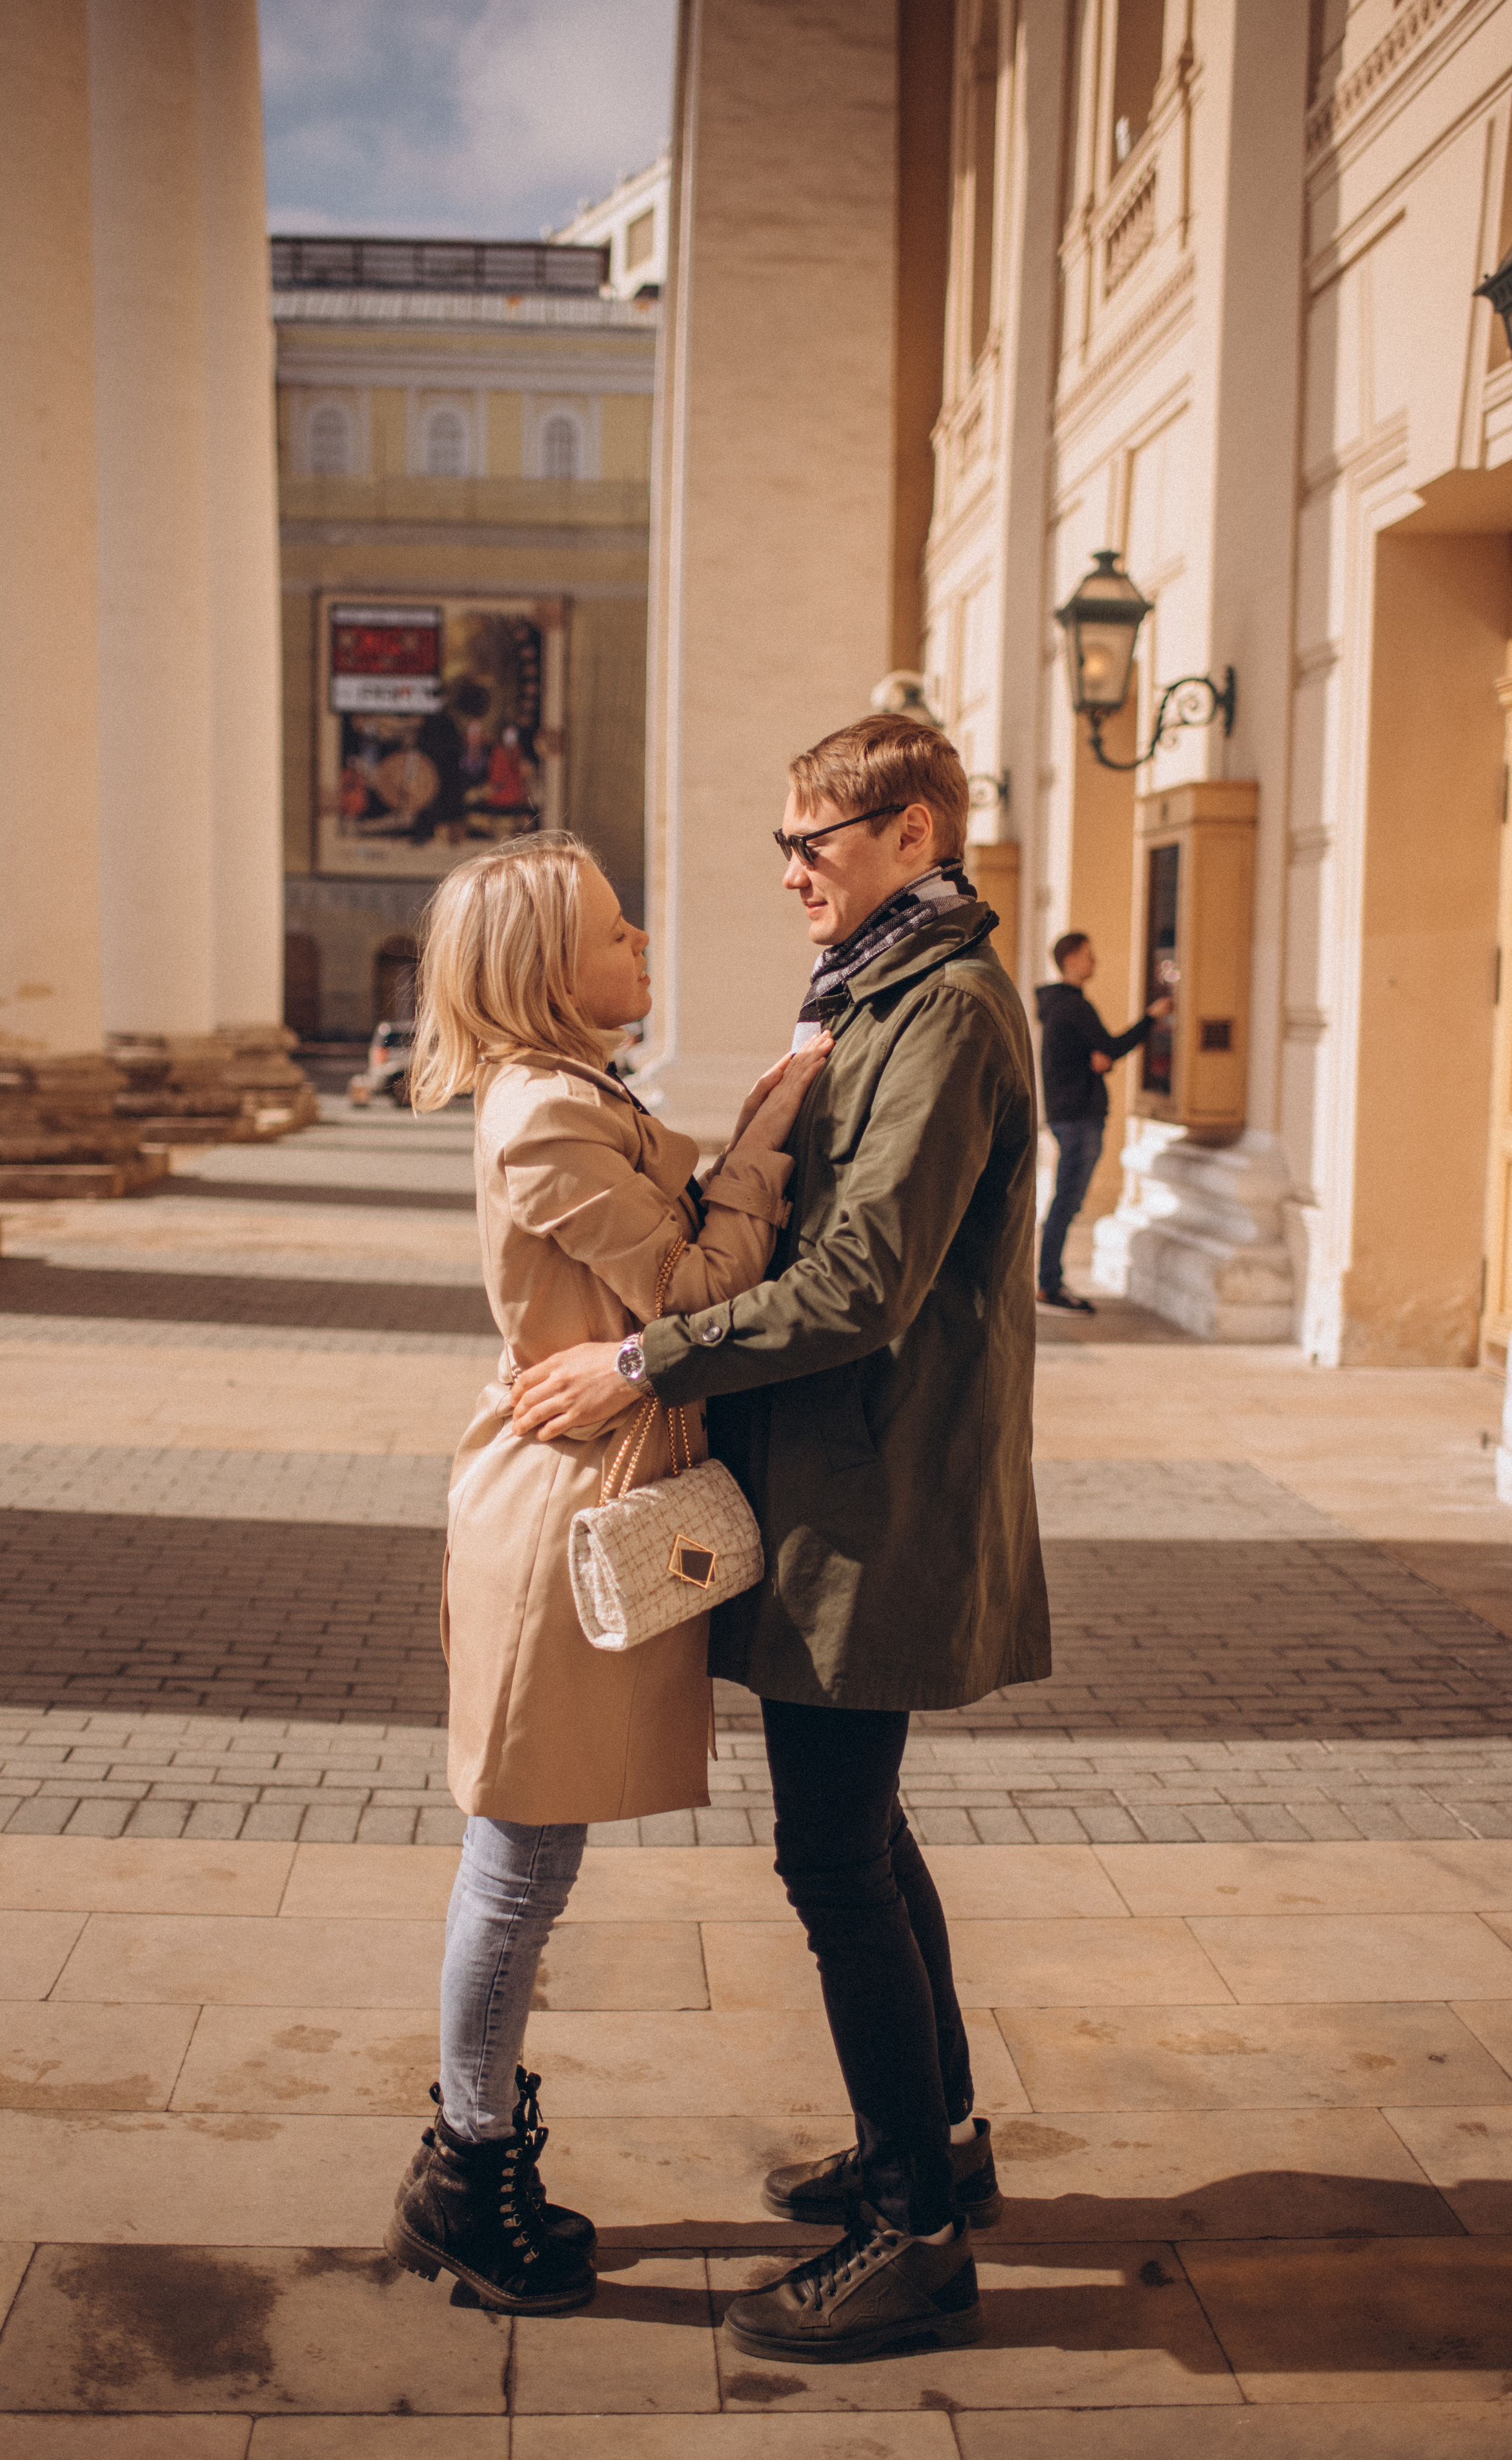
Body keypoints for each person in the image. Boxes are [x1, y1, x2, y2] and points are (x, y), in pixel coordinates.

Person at [509, 714, 1051, 2364]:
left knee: (828, 1853)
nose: (789, 868)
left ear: (908, 833)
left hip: (873, 1492)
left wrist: (638, 1356)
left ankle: (909, 2235)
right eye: (784, 841)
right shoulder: (877, 993)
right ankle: (936, 2142)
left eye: (809, 838)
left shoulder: (941, 1009)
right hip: (837, 1477)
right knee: (863, 1837)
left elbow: (860, 1280)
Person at [382, 832, 831, 2319]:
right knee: (516, 1857)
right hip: (561, 1507)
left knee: (530, 1855)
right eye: (616, 927)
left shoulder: (577, 1093)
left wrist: (743, 1142)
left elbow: (677, 1252)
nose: (642, 941)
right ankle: (464, 2162)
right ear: (544, 968)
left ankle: (472, 2142)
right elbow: (699, 1287)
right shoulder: (543, 1119)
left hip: (599, 1470)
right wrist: (765, 1132)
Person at [1034, 932, 1172, 1314]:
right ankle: (1048, 1282)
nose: (1095, 962)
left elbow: (1097, 1054)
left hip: (1068, 1115)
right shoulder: (1073, 1007)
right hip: (1078, 1117)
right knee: (1066, 1203)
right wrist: (1151, 1018)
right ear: (1073, 960)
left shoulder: (1059, 1006)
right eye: (1089, 956)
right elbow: (1110, 1048)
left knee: (1064, 1201)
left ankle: (1048, 1280)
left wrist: (1097, 1057)